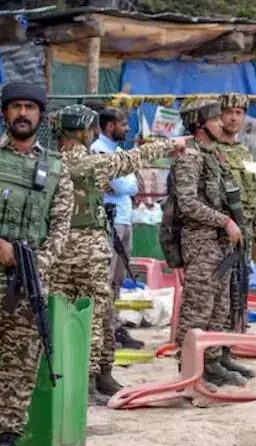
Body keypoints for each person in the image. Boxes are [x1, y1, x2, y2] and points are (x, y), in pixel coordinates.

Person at [48, 105, 180, 405]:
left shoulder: (50, 161)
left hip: (58, 250)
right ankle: (90, 380)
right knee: (96, 314)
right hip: (88, 250)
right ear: (83, 131)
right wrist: (169, 145)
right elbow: (130, 160)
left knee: (68, 314)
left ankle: (93, 377)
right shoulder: (86, 161)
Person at [0, 82, 74, 446]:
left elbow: (60, 228)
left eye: (30, 107)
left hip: (26, 281)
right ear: (5, 113)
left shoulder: (57, 168)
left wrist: (35, 265)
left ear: (41, 115)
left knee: (19, 369)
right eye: (16, 107)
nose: (23, 113)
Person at [174, 100, 246, 386]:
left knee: (219, 306)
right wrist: (224, 221)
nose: (222, 123)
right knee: (197, 308)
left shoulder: (214, 155)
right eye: (216, 120)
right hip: (201, 242)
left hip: (220, 245)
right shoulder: (190, 157)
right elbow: (188, 203)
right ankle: (190, 369)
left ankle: (212, 363)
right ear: (200, 125)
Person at [213, 93, 256, 378]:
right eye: (229, 112)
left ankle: (227, 353)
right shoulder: (212, 151)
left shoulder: (245, 153)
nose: (234, 118)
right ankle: (213, 356)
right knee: (218, 299)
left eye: (239, 112)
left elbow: (254, 199)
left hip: (244, 237)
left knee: (238, 297)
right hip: (220, 236)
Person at [90, 107, 144, 351]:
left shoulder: (120, 153)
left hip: (125, 219)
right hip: (110, 222)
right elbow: (123, 186)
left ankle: (114, 328)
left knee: (118, 279)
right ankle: (105, 330)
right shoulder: (99, 151)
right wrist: (126, 183)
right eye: (123, 124)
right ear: (110, 126)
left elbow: (134, 184)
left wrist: (127, 183)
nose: (127, 128)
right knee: (107, 277)